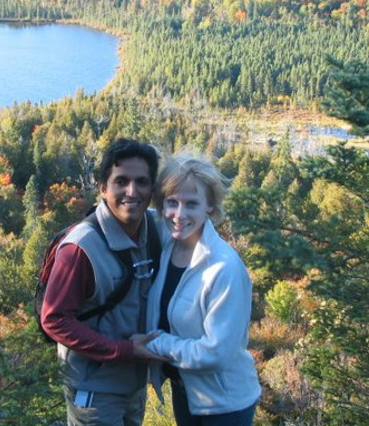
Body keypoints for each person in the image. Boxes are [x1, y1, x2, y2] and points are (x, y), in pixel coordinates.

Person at [40, 138, 167, 426]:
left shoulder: (155, 229)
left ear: (152, 188)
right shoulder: (81, 248)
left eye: (142, 182)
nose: (132, 192)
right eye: (121, 181)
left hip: (133, 385)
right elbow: (54, 319)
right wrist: (124, 350)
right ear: (102, 187)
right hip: (94, 391)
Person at [142, 154, 261, 425]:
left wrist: (157, 343)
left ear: (209, 206)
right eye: (172, 202)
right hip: (186, 393)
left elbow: (216, 353)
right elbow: (131, 214)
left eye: (192, 204)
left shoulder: (223, 268)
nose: (179, 215)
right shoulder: (168, 243)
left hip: (225, 403)